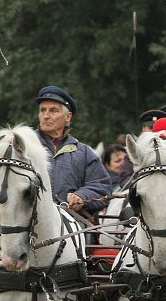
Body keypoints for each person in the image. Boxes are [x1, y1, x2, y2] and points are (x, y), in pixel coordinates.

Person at [34, 85, 111, 213]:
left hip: (73, 229)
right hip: (28, 228)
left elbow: (102, 186)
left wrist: (82, 196)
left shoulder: (84, 152)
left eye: (53, 111)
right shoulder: (22, 147)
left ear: (68, 117)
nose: (46, 116)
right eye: (42, 110)